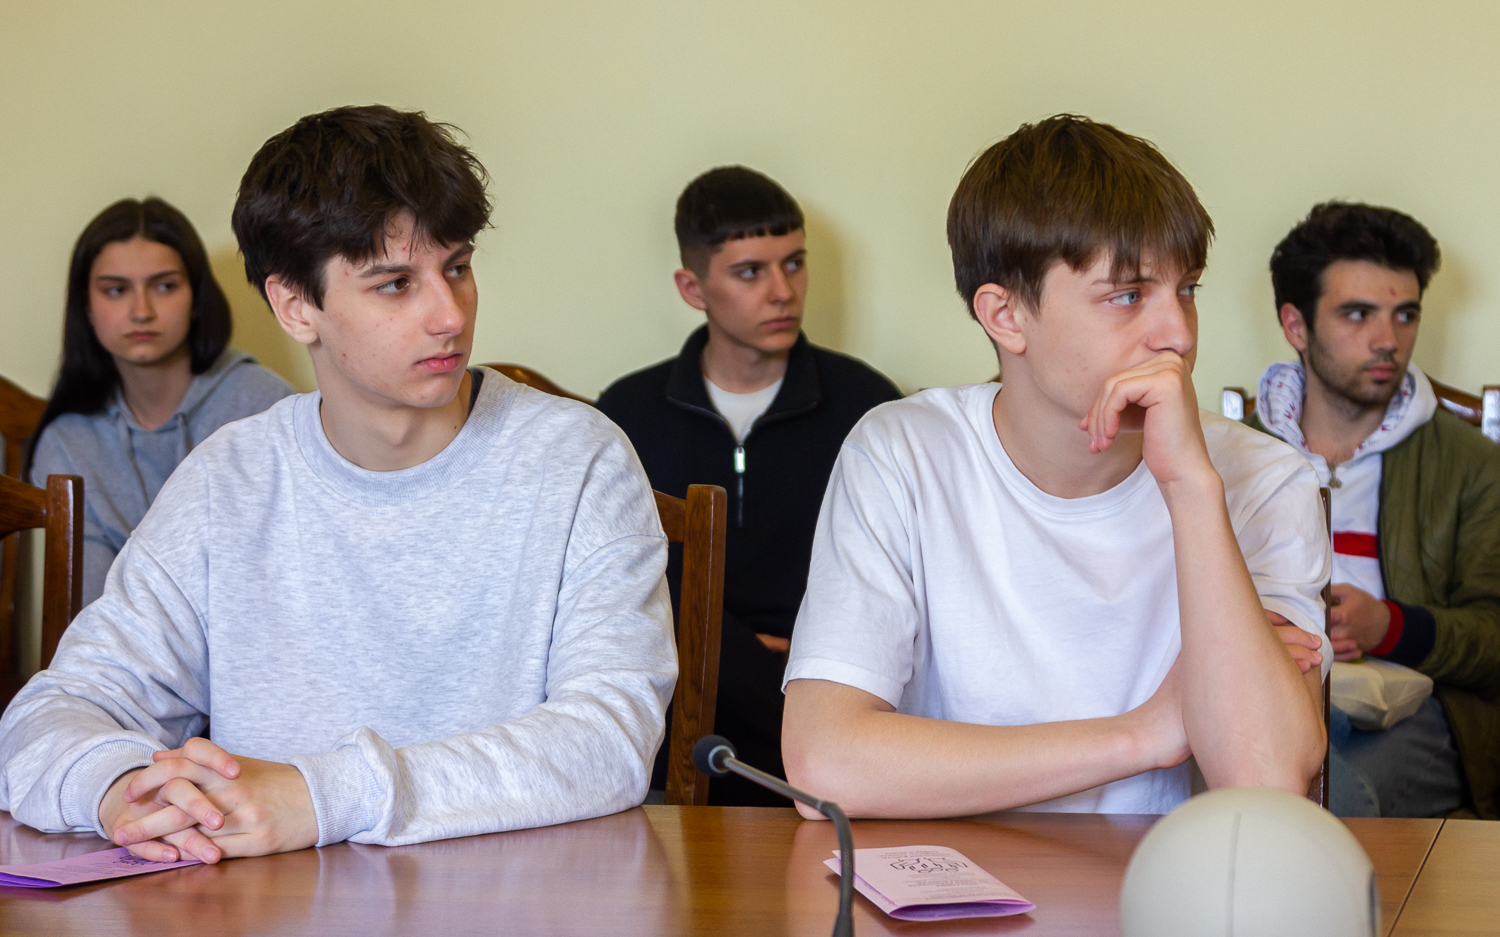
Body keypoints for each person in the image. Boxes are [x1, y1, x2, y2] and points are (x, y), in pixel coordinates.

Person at [0, 105, 677, 862]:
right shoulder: (227, 481)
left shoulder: (580, 459)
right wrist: (123, 789)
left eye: (457, 267)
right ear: (296, 307)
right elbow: (56, 711)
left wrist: (323, 794)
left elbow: (610, 739)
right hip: (276, 901)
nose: (449, 315)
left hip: (520, 894)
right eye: (395, 284)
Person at [781, 115, 1330, 819]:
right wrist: (1142, 735)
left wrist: (1191, 488)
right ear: (1006, 316)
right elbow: (824, 764)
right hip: (945, 876)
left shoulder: (1263, 476)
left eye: (1187, 289)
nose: (1178, 334)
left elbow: (1267, 782)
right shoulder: (902, 453)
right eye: (1128, 295)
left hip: (1162, 876)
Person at [596, 166, 901, 805]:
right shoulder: (627, 413)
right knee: (651, 582)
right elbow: (616, 600)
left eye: (794, 264)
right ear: (693, 287)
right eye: (750, 272)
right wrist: (738, 658)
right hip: (683, 707)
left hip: (826, 686)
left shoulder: (866, 407)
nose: (782, 292)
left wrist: (807, 661)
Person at [1251, 202, 1500, 819]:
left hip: (1419, 708)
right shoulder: (1236, 454)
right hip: (1268, 693)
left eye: (1405, 314)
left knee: (1326, 797)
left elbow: (1494, 637)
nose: (1389, 340)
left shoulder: (1472, 464)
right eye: (1358, 314)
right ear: (1296, 325)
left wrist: (1388, 625)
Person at [26, 197, 294, 606]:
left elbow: (285, 583)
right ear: (86, 307)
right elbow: (90, 615)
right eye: (116, 290)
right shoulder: (67, 443)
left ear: (197, 298)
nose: (141, 311)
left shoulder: (266, 405)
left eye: (164, 286)